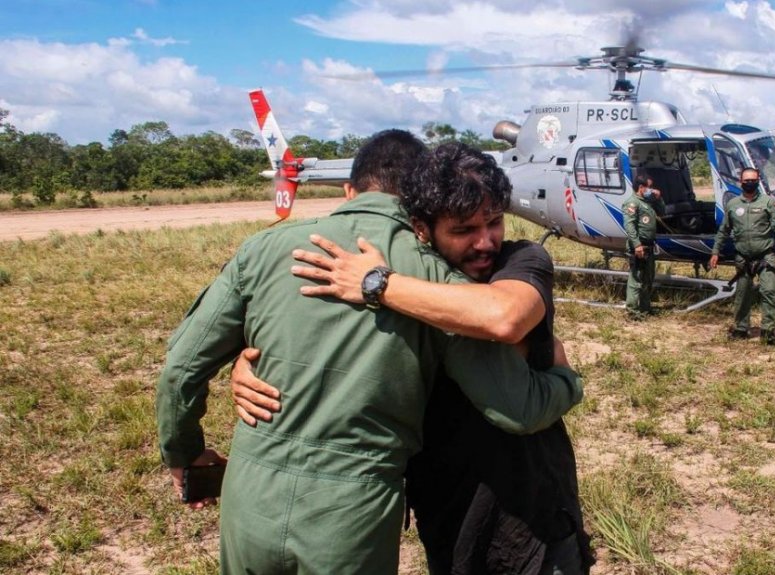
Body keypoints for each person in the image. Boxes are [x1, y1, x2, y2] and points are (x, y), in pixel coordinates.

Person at [155, 131, 584, 574]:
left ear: (349, 189)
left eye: (493, 223)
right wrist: (566, 380)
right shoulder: (432, 273)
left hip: (249, 498)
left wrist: (184, 455)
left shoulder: (265, 248)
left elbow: (180, 370)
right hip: (348, 515)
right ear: (420, 216)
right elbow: (517, 407)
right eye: (464, 227)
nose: (484, 240)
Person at [709, 167, 775, 344]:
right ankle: (740, 329)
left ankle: (768, 331)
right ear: (741, 182)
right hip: (742, 258)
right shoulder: (733, 205)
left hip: (765, 255)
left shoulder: (767, 202)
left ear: (758, 180)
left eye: (753, 180)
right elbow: (723, 231)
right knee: (742, 294)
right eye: (746, 181)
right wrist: (715, 252)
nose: (749, 183)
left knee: (770, 291)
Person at [621, 171, 665, 318]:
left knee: (648, 278)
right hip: (639, 247)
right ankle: (632, 310)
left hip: (649, 246)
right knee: (636, 279)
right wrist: (637, 245)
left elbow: (662, 212)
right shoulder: (632, 203)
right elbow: (629, 226)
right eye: (649, 187)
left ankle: (645, 308)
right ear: (641, 187)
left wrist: (658, 199)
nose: (651, 190)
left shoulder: (648, 202)